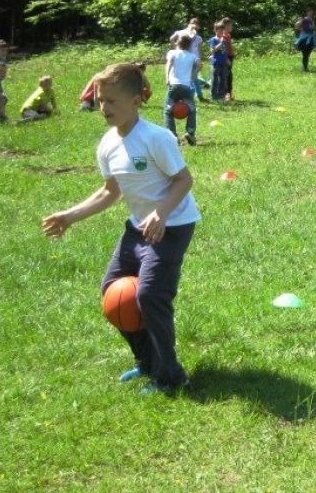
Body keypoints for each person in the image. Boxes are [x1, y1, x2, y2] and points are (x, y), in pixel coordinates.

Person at [42, 62, 200, 397]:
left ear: (136, 101)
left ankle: (171, 377)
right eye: (100, 100)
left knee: (150, 295)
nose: (104, 107)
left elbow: (184, 180)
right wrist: (70, 216)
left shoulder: (156, 138)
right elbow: (110, 191)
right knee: (113, 293)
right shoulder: (107, 144)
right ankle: (146, 361)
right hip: (138, 227)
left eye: (112, 101)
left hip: (172, 225)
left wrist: (160, 214)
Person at [165, 34, 200, 144]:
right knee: (191, 109)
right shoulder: (192, 56)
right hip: (186, 86)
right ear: (189, 46)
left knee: (168, 111)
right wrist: (193, 76)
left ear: (177, 43)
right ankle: (190, 133)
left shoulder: (172, 53)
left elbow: (169, 63)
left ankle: (172, 136)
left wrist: (167, 77)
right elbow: (199, 64)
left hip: (174, 85)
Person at [209, 22, 230, 102]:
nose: (221, 32)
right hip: (216, 62)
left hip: (223, 62)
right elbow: (212, 50)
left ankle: (221, 95)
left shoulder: (224, 39)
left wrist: (227, 59)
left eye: (222, 30)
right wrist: (220, 44)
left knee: (223, 79)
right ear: (215, 30)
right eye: (219, 30)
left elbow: (225, 50)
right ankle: (214, 96)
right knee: (215, 79)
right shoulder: (213, 39)